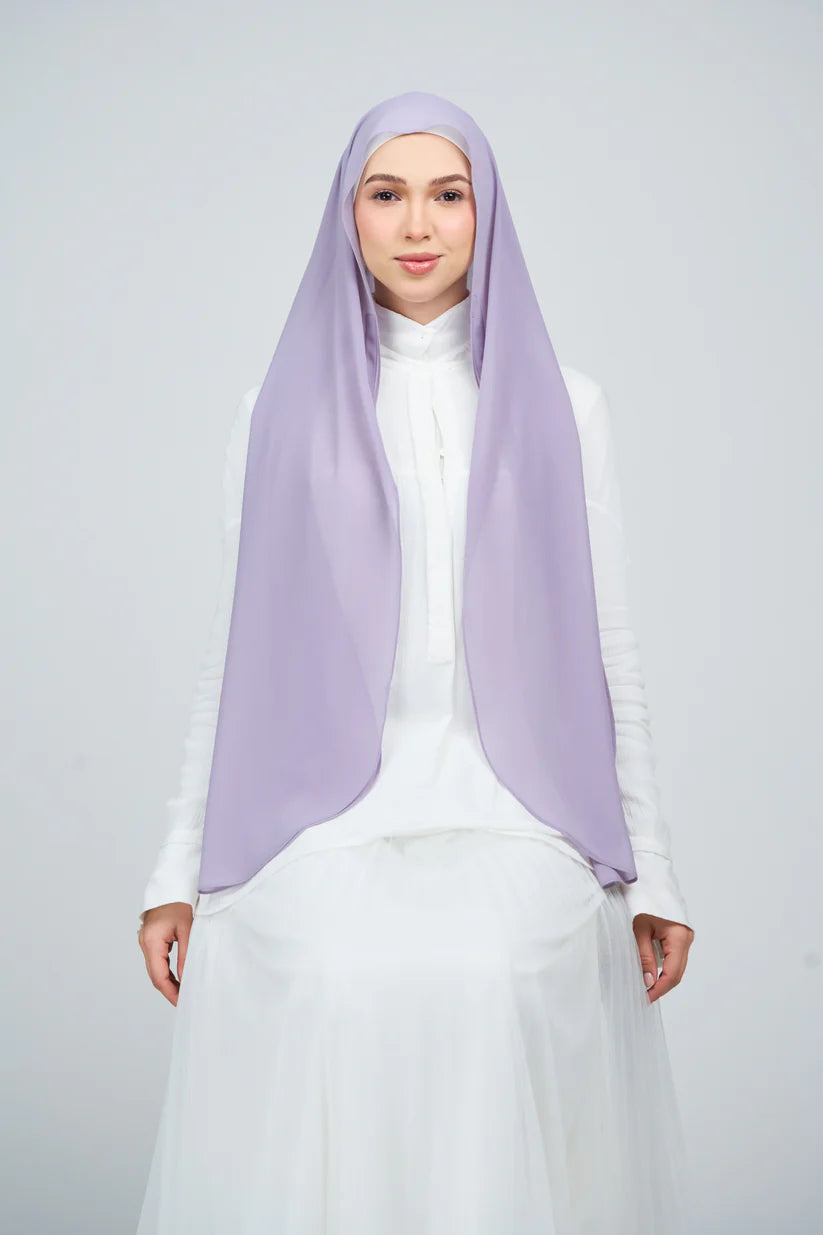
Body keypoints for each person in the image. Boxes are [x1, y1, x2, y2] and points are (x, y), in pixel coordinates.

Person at [136, 91, 695, 1235]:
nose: (418, 224)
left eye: (449, 194)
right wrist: (173, 868)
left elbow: (609, 649)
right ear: (346, 214)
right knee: (328, 978)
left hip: (517, 806)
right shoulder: (275, 412)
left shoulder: (566, 407)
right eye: (385, 194)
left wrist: (655, 874)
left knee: (493, 978)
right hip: (322, 810)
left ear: (488, 214)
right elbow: (233, 656)